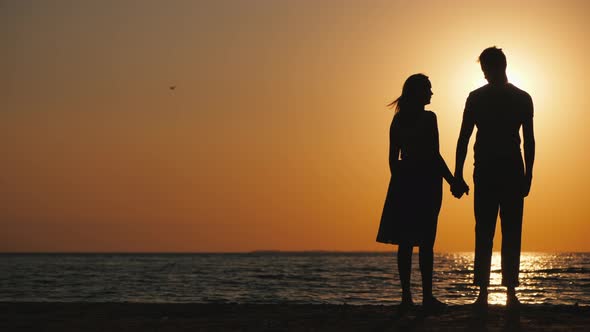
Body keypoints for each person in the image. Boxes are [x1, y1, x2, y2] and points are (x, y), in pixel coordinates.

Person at [376, 74, 468, 313]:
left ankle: (407, 297)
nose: (431, 93)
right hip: (426, 182)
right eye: (428, 88)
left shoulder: (398, 121)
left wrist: (401, 183)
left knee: (406, 242)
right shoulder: (429, 119)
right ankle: (425, 297)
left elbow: (392, 160)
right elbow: (434, 155)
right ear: (418, 92)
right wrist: (453, 182)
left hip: (405, 182)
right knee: (426, 242)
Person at [453, 47, 535, 309]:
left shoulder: (517, 98)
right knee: (493, 229)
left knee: (497, 230)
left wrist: (529, 173)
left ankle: (505, 292)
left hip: (503, 170)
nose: (485, 74)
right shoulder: (480, 97)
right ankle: (487, 292)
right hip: (495, 170)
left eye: (486, 69)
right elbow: (464, 137)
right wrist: (458, 172)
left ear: (497, 67)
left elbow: (530, 140)